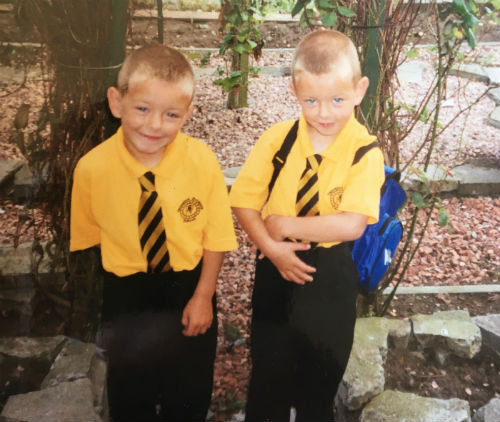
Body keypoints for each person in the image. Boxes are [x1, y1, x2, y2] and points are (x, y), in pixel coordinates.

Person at [70, 44, 237, 421]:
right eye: (142, 108)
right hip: (126, 294)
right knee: (131, 398)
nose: (154, 125)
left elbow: (217, 237)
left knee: (189, 395)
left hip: (188, 289)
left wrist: (204, 297)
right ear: (117, 102)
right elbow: (92, 239)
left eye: (171, 114)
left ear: (187, 115)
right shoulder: (92, 171)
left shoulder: (203, 163)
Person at [229, 29, 385, 421]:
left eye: (337, 99)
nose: (325, 113)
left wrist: (283, 224)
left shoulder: (364, 152)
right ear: (295, 90)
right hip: (274, 268)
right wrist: (272, 246)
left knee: (320, 381)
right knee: (268, 377)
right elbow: (244, 201)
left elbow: (351, 224)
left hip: (329, 276)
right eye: (311, 100)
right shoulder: (277, 140)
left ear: (359, 90)